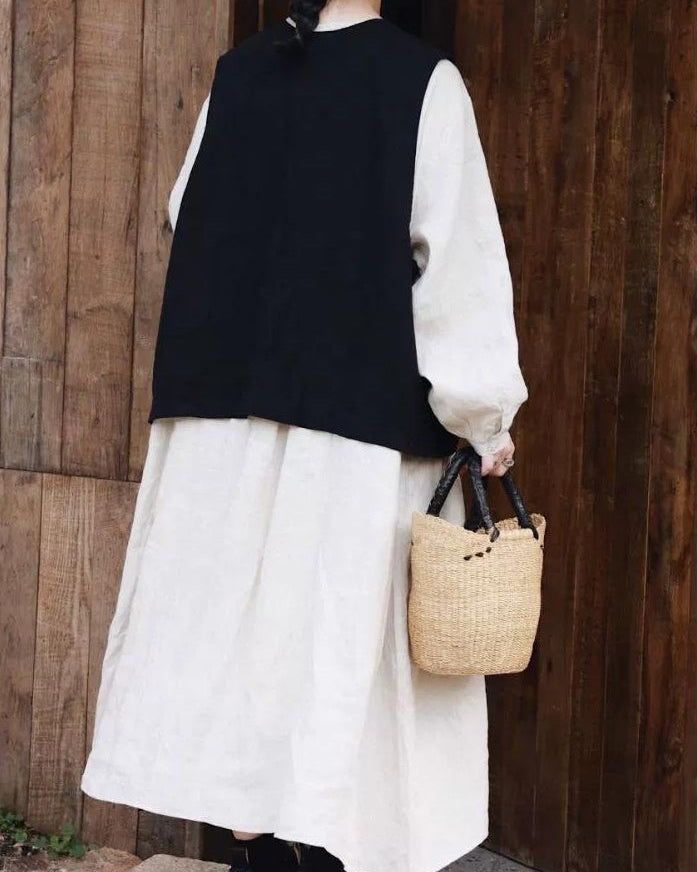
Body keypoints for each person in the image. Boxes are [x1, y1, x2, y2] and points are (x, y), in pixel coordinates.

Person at [79, 2, 529, 872]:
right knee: (333, 655)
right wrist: (483, 418)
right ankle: (319, 850)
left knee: (239, 650)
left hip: (220, 422)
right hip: (351, 430)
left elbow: (187, 211)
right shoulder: (421, 81)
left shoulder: (239, 74)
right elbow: (456, 266)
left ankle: (255, 851)